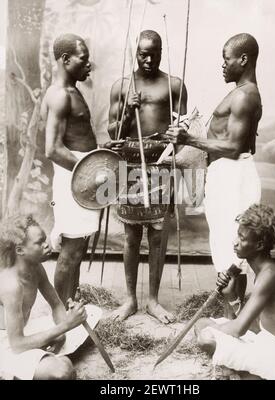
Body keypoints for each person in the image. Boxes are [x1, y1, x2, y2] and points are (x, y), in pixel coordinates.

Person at [167, 33, 262, 310]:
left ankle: (232, 325)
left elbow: (232, 146)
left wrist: (188, 140)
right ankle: (235, 315)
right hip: (227, 174)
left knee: (230, 251)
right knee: (232, 250)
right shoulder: (241, 92)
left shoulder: (245, 96)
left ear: (243, 59)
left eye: (226, 59)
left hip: (233, 176)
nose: (222, 65)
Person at [108, 30, 187, 323]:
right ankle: (130, 299)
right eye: (143, 53)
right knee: (131, 235)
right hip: (129, 164)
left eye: (154, 53)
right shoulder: (121, 86)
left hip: (161, 164)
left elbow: (183, 129)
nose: (149, 59)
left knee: (157, 235)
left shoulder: (174, 85)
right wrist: (129, 111)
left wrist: (174, 139)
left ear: (162, 52)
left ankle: (153, 300)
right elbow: (111, 132)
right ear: (135, 53)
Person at [194, 204, 275, 380]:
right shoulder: (266, 271)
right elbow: (252, 325)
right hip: (270, 341)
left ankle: (241, 374)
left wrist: (217, 332)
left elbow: (237, 329)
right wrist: (231, 296)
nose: (235, 241)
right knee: (202, 324)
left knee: (206, 337)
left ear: (258, 245)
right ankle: (237, 373)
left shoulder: (270, 275)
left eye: (242, 238)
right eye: (238, 235)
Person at [41, 33, 99, 306]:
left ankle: (71, 305)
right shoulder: (59, 96)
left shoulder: (73, 91)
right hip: (73, 179)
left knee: (79, 247)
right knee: (71, 250)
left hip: (84, 177)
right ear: (65, 60)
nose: (89, 65)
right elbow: (52, 148)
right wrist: (90, 169)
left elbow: (77, 139)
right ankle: (60, 315)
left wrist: (100, 156)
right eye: (83, 59)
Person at [0, 215, 91, 380]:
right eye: (39, 242)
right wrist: (65, 326)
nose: (47, 244)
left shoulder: (35, 267)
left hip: (22, 331)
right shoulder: (11, 285)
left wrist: (65, 326)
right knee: (63, 371)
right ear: (20, 250)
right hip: (7, 343)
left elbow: (56, 305)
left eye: (45, 239)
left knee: (90, 313)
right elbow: (17, 344)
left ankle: (37, 362)